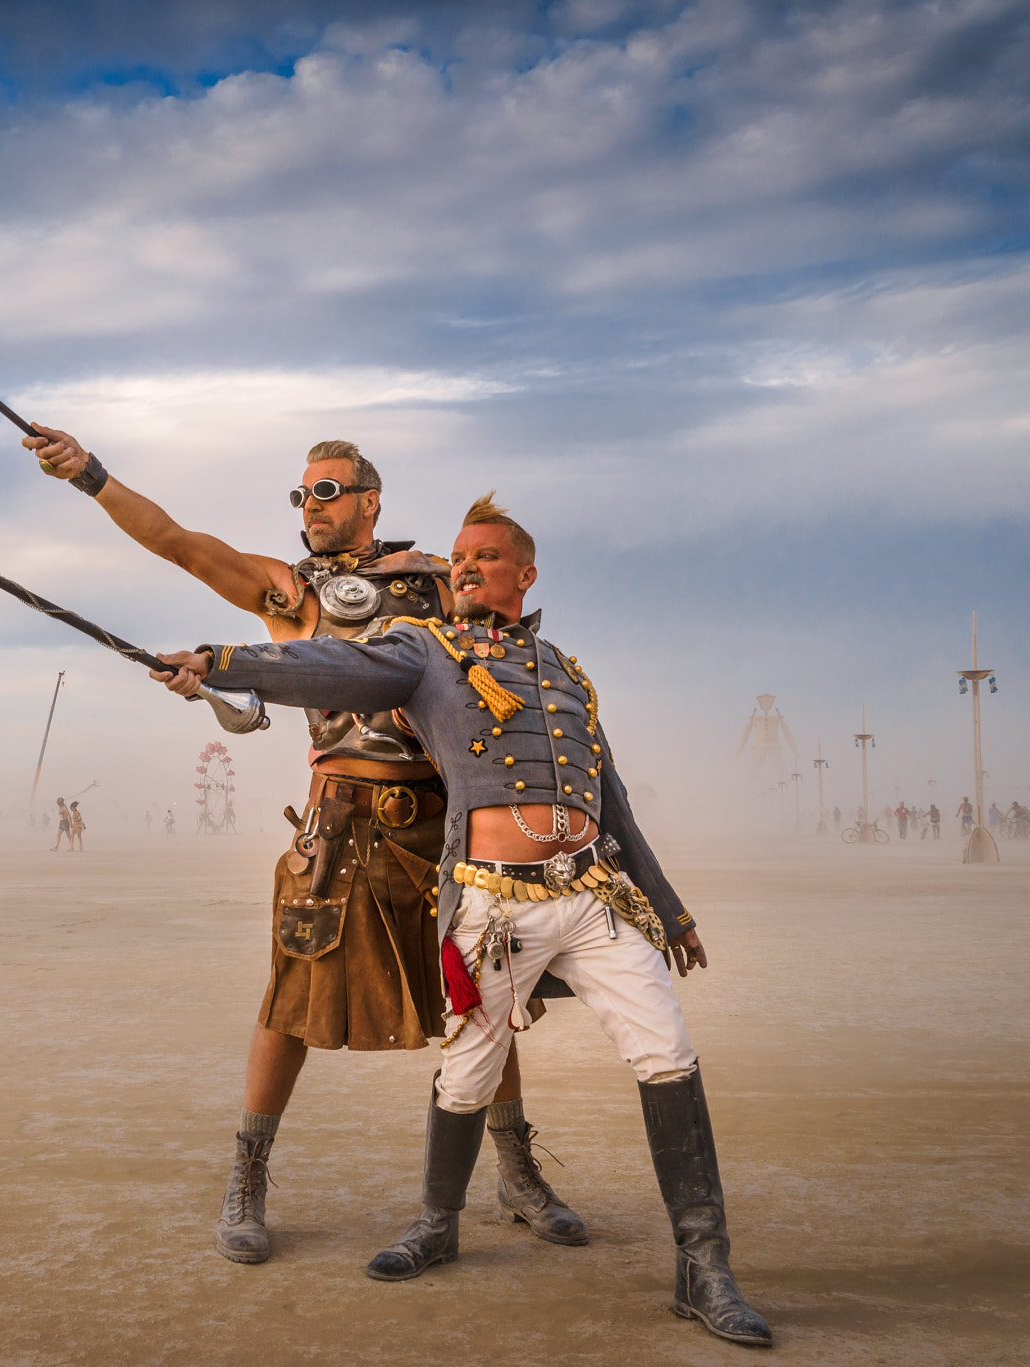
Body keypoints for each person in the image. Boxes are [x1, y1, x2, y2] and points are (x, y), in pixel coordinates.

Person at [148, 490, 767, 1345]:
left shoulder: (565, 672)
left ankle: (705, 1269)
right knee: (468, 1072)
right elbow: (328, 670)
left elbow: (614, 803)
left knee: (668, 1053)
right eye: (459, 555)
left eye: (484, 555)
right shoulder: (424, 651)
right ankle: (438, 1223)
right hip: (491, 897)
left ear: (525, 572)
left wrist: (671, 910)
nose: (467, 565)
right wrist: (221, 662)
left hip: (592, 895)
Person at [27, 427, 589, 1264]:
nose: (310, 508)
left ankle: (513, 1169)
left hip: (440, 823)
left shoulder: (435, 582)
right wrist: (90, 474)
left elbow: (505, 663)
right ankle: (248, 1173)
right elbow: (178, 542)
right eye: (301, 495)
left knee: (482, 998)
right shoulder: (287, 593)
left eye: (326, 492)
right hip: (338, 823)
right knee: (288, 1002)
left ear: (369, 500)